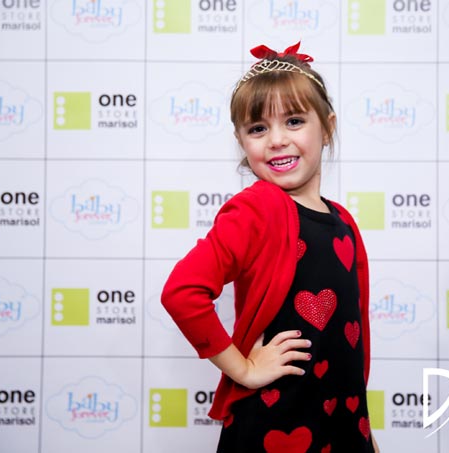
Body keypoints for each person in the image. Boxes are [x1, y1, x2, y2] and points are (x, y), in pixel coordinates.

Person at [161, 42, 378, 453]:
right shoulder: (258, 208)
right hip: (273, 425)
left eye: (294, 121)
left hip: (343, 427)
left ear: (327, 127)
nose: (277, 140)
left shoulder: (344, 222)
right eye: (258, 129)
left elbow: (352, 344)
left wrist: (365, 433)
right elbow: (182, 292)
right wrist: (242, 369)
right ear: (241, 140)